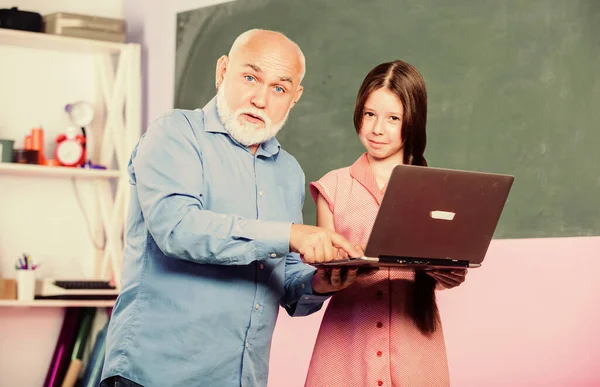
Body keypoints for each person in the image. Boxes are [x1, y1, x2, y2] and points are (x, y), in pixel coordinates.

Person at [99, 29, 361, 387]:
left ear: (295, 97)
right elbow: (177, 229)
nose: (260, 99)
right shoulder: (174, 135)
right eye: (250, 77)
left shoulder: (289, 173)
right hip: (155, 376)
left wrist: (321, 282)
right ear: (223, 71)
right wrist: (290, 234)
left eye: (279, 88)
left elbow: (285, 282)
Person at [304, 60, 468, 387]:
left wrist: (448, 273)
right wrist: (340, 265)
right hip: (346, 349)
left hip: (416, 350)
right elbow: (323, 268)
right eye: (369, 114)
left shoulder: (435, 189)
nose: (378, 129)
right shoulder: (332, 187)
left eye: (393, 118)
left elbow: (445, 274)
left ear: (413, 121)